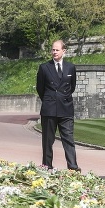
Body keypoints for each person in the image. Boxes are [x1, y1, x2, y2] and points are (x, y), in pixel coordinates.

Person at [36, 40, 80, 172]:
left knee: (68, 139)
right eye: (53, 50)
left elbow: (72, 87)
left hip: (66, 108)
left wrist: (61, 97)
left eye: (57, 50)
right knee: (48, 140)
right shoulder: (44, 67)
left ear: (64, 51)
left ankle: (72, 166)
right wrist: (51, 99)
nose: (54, 52)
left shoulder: (70, 67)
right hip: (49, 108)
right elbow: (40, 88)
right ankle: (47, 165)